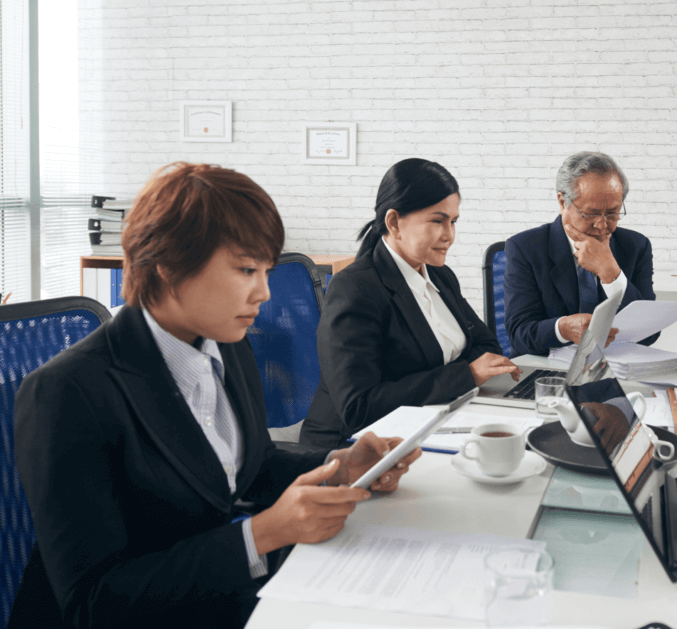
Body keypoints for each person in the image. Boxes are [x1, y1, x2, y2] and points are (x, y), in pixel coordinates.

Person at [11, 163, 419, 629]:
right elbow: (93, 602)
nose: (264, 292)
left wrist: (337, 465)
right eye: (246, 269)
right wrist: (260, 535)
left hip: (211, 596)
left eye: (266, 269)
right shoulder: (66, 393)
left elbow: (250, 467)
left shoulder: (226, 343)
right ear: (167, 266)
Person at [300, 159, 520, 448]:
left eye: (453, 222)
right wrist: (465, 375)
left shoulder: (440, 275)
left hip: (431, 425)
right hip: (352, 448)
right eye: (437, 221)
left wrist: (467, 374)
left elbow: (485, 345)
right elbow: (359, 407)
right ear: (394, 222)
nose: (449, 236)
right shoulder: (355, 289)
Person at [503, 151, 657, 357]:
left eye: (613, 212)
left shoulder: (636, 246)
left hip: (613, 366)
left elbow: (649, 334)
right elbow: (519, 335)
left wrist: (611, 274)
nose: (602, 225)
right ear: (562, 202)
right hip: (547, 369)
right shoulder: (526, 247)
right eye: (591, 213)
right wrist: (563, 329)